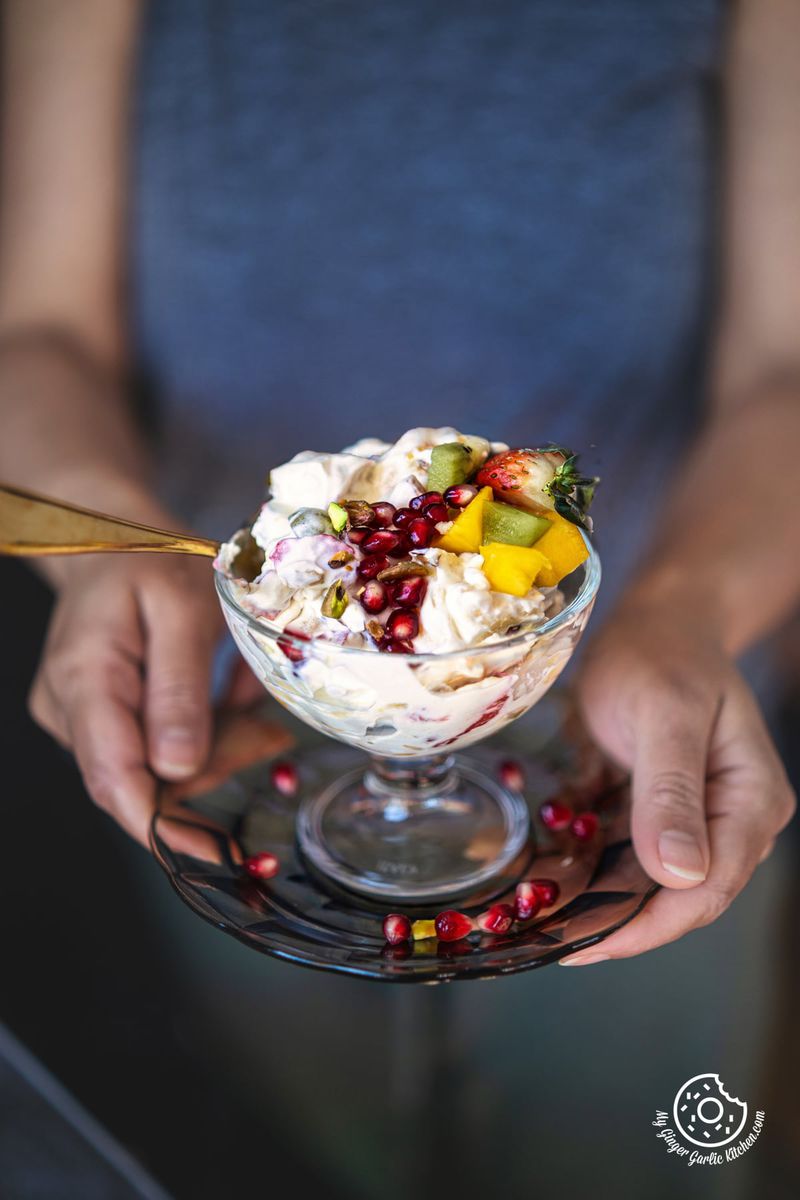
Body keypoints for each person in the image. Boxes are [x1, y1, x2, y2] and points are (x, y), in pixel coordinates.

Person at [0, 0, 797, 978]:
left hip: (632, 750)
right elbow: (39, 334)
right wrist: (109, 553)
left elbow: (782, 371)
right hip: (230, 754)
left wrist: (688, 610)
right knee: (265, 1115)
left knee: (640, 1121)